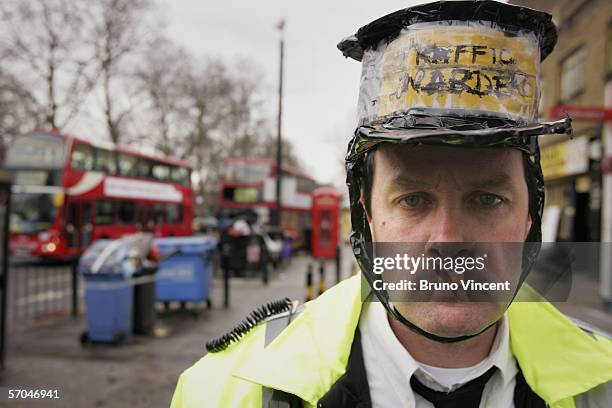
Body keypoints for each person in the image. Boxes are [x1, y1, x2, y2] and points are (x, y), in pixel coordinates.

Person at [171, 1, 612, 407]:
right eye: (413, 199)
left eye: (488, 199)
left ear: (530, 216)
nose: (449, 241)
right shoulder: (222, 391)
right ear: (366, 216)